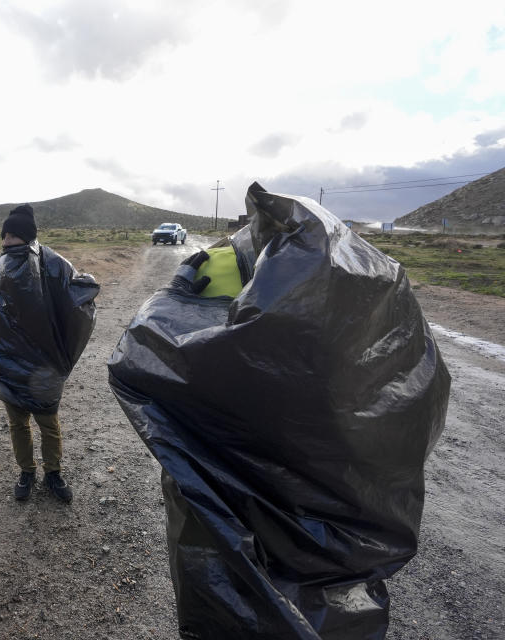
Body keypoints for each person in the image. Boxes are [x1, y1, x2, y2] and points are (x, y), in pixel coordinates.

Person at [108, 184, 450, 639]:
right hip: (334, 497)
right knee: (332, 609)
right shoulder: (375, 280)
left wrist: (172, 301)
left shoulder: (217, 265)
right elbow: (420, 394)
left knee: (224, 595)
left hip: (223, 489)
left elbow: (147, 365)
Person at [0, 204, 100, 503]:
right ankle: (26, 472)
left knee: (48, 422)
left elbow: (76, 297)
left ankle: (53, 473)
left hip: (44, 365)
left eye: (14, 235)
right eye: (4, 235)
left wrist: (86, 287)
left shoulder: (53, 263)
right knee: (17, 422)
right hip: (8, 363)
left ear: (27, 237)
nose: (7, 241)